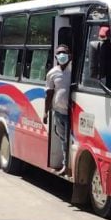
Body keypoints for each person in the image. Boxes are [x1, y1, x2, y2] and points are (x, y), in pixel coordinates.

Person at [43, 44, 72, 176]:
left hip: (72, 113)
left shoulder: (74, 70)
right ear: (55, 57)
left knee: (70, 140)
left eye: (64, 53)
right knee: (64, 140)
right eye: (59, 53)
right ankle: (66, 166)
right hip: (59, 112)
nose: (62, 55)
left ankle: (69, 165)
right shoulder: (52, 73)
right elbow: (49, 94)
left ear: (69, 55)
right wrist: (45, 112)